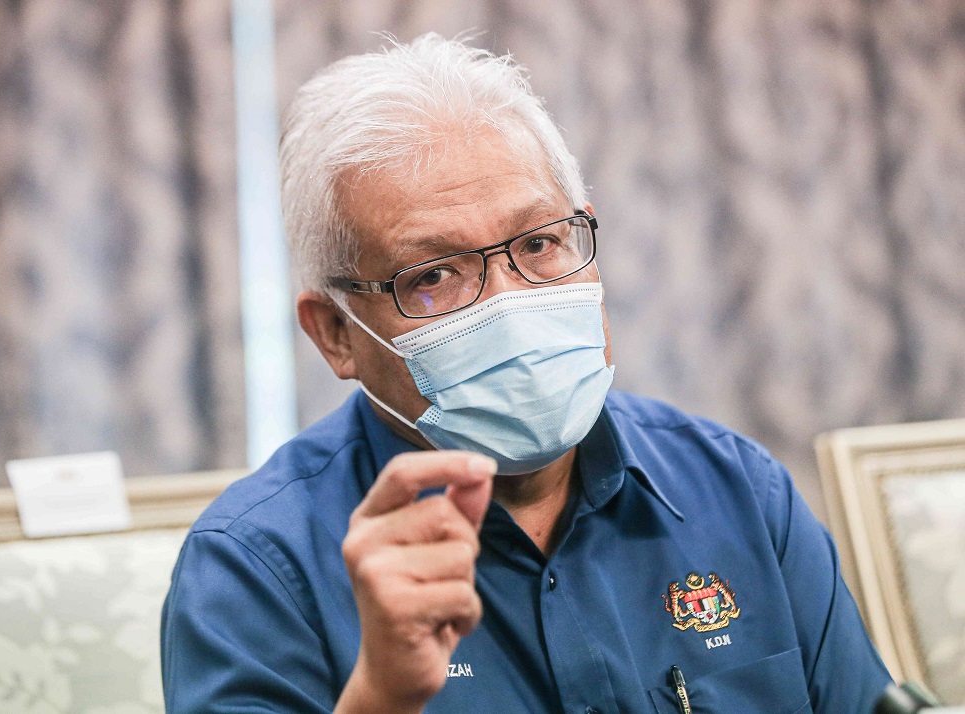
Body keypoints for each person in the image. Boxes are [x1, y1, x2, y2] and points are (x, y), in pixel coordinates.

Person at [161, 33, 892, 713]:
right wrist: (380, 696)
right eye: (433, 275)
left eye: (540, 242)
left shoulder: (737, 489)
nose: (512, 304)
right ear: (334, 336)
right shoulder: (253, 570)